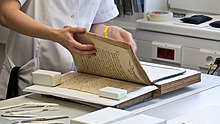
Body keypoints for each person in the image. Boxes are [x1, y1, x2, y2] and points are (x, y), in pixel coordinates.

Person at [0, 0, 137, 99]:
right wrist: (55, 35)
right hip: (29, 77)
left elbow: (88, 24)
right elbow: (5, 12)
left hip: (73, 82)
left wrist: (109, 32)